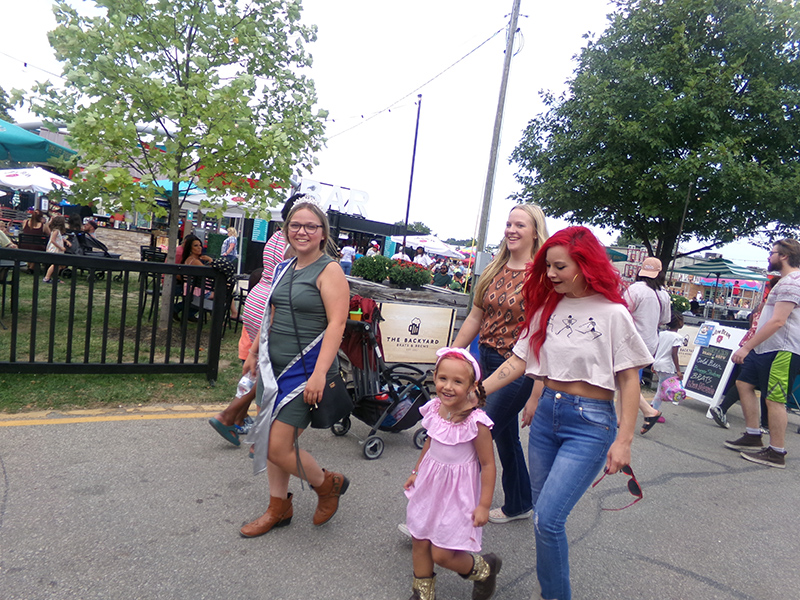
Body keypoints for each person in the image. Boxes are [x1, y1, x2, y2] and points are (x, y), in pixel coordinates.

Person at [481, 226, 653, 600]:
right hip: (546, 417)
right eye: (548, 267)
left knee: (547, 519)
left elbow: (629, 379)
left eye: (560, 267)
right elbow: (517, 361)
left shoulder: (613, 314)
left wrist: (624, 441)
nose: (551, 274)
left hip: (590, 424)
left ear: (585, 265)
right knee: (544, 518)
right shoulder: (547, 308)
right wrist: (476, 392)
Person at [239, 200, 350, 537]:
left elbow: (337, 324)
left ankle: (326, 484)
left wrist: (319, 373)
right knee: (278, 446)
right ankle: (279, 507)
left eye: (310, 227)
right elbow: (270, 316)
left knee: (273, 446)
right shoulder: (284, 267)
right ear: (286, 230)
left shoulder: (329, 270)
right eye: (295, 225)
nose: (302, 232)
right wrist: (255, 351)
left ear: (322, 234)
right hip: (274, 370)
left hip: (306, 374)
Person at [452, 204, 549, 525]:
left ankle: (441, 514)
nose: (511, 230)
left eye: (520, 225)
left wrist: (536, 392)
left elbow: (542, 339)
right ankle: (520, 502)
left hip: (518, 369)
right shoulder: (495, 268)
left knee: (471, 437)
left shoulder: (542, 276)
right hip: (486, 359)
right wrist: (453, 354)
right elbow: (476, 317)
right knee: (505, 435)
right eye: (508, 223)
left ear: (535, 232)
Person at [404, 348, 500, 600]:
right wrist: (416, 471)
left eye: (457, 381)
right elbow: (430, 442)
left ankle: (484, 570)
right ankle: (423, 593)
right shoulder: (436, 408)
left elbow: (488, 465)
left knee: (442, 553)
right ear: (434, 376)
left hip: (457, 494)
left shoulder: (476, 423)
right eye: (443, 378)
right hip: (428, 485)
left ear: (471, 385)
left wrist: (484, 506)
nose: (448, 387)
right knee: (419, 538)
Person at [724, 239, 800, 468]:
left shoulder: (791, 283)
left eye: (772, 253)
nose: (769, 257)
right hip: (767, 347)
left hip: (782, 349)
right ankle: (753, 434)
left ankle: (776, 452)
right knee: (743, 383)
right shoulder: (786, 281)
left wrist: (746, 347)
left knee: (775, 399)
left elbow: (778, 321)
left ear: (784, 256)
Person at [709, 277, 779, 430]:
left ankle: (722, 408)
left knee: (744, 381)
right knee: (766, 385)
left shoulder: (761, 305)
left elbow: (751, 319)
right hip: (764, 348)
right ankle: (765, 424)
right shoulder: (777, 306)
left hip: (748, 344)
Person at [623, 257, 671, 434]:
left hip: (630, 341)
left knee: (624, 379)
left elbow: (622, 312)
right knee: (628, 378)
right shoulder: (663, 294)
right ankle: (622, 419)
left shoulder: (635, 289)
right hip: (650, 343)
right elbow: (665, 320)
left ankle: (648, 411)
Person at [649, 311, 684, 414]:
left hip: (657, 363)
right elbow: (674, 354)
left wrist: (653, 363)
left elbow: (656, 348)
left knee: (661, 387)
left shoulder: (662, 334)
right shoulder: (677, 337)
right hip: (667, 366)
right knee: (662, 390)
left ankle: (653, 407)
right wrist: (678, 370)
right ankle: (653, 411)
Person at [43, 215, 70, 283]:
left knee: (58, 265)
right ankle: (47, 277)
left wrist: (66, 241)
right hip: (55, 249)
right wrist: (61, 247)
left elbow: (59, 238)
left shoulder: (58, 231)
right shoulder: (56, 231)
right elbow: (53, 240)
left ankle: (55, 277)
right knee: (54, 264)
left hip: (57, 250)